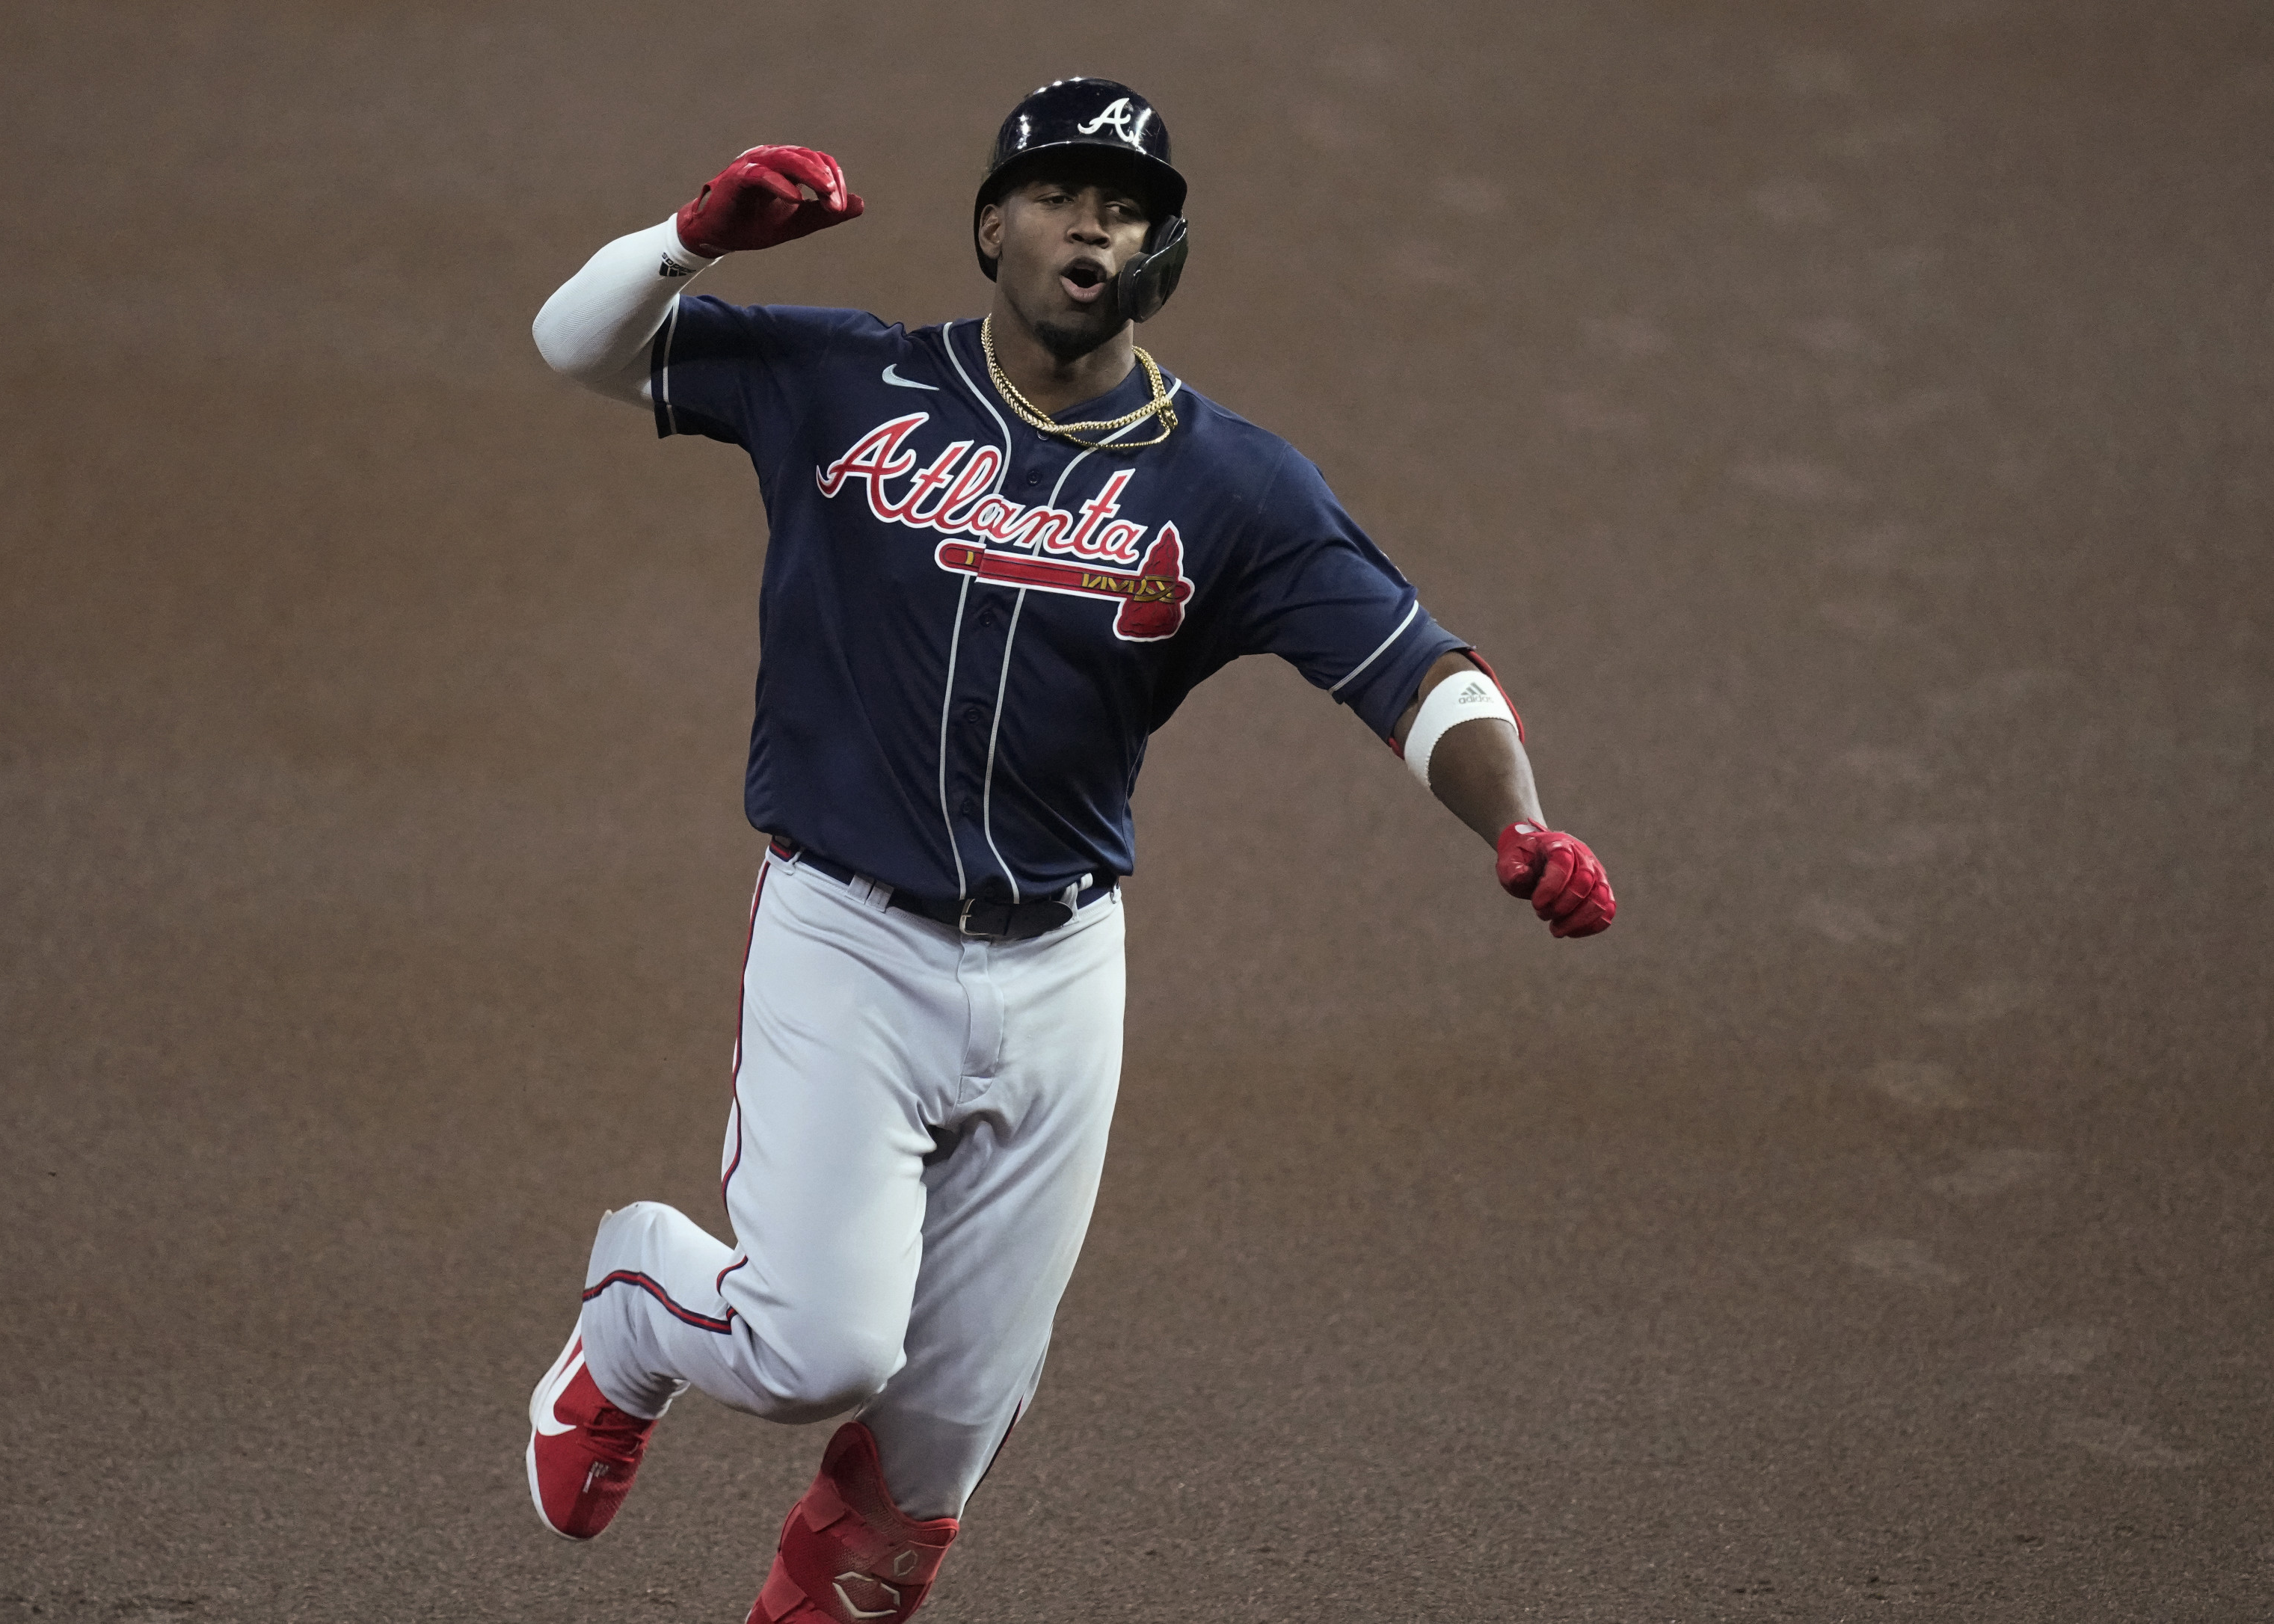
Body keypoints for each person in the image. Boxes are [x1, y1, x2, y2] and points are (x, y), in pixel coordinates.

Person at [521, 76, 1615, 1623]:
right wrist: (693, 236)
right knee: (815, 1347)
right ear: (989, 226)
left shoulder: (1227, 483)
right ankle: (635, 1311)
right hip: (848, 937)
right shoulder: (846, 381)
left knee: (931, 1465)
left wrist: (1516, 818)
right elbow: (576, 348)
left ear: (1160, 252)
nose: (1091, 218)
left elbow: (1419, 670)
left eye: (1127, 203)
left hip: (1058, 982)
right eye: (1056, 191)